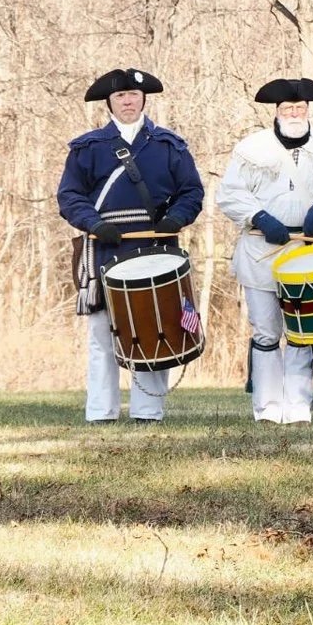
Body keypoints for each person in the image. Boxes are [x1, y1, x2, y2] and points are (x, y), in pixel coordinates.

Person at [58, 68, 206, 424]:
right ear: (109, 102)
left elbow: (192, 192)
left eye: (134, 96)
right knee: (101, 336)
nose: (128, 101)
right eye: (121, 96)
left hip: (157, 249)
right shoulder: (87, 147)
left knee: (157, 328)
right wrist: (94, 224)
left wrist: (177, 219)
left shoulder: (170, 145)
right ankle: (101, 414)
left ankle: (148, 412)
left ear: (143, 99)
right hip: (105, 250)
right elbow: (69, 196)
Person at [214, 78, 313, 424]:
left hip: (308, 251)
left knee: (302, 331)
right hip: (262, 247)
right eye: (288, 109)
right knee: (265, 331)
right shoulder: (252, 148)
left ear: (308, 110)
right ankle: (266, 409)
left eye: (300, 108)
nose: (294, 114)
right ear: (276, 112)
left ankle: (297, 409)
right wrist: (259, 216)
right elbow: (230, 194)